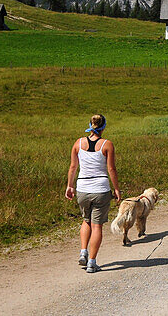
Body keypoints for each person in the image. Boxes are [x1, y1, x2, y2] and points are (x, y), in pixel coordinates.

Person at [65, 114, 121, 273]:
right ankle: (92, 262)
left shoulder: (78, 143)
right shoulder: (107, 144)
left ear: (90, 125)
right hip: (100, 188)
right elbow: (111, 169)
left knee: (86, 220)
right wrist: (116, 189)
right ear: (103, 127)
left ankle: (83, 251)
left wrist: (70, 186)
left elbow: (72, 167)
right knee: (97, 226)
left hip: (82, 187)